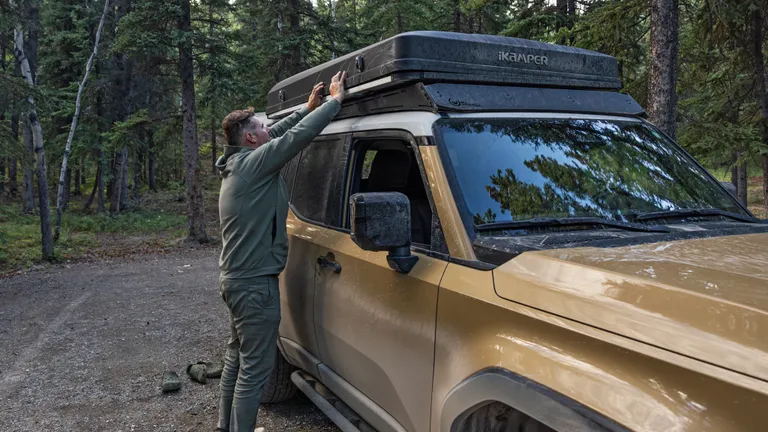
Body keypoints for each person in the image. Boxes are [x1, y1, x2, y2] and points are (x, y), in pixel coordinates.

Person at [214, 71, 347, 432]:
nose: (266, 127)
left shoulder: (239, 164)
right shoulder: (254, 166)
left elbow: (282, 131)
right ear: (250, 137)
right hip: (254, 286)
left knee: (236, 357)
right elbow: (294, 140)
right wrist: (334, 103)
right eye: (261, 125)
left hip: (238, 281)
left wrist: (306, 107)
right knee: (254, 370)